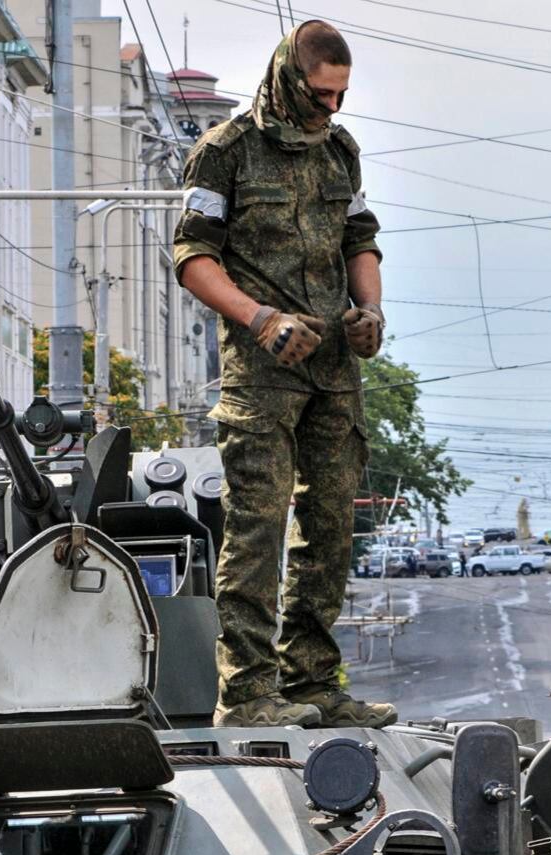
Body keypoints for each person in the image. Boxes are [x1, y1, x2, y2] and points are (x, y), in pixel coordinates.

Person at [173, 19, 392, 730]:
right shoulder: (225, 152)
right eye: (322, 95)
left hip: (333, 368)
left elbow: (361, 238)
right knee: (258, 530)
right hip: (263, 371)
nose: (333, 110)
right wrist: (260, 318)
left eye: (342, 97)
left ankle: (313, 682)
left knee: (330, 528)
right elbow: (191, 259)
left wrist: (370, 311)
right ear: (291, 80)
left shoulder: (340, 152)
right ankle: (247, 695)